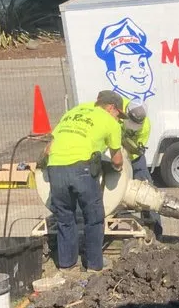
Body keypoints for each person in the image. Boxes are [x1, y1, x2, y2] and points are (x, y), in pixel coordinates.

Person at [46, 90, 124, 272]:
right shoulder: (110, 122)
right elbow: (117, 159)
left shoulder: (73, 113)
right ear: (111, 107)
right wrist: (117, 168)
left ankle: (66, 265)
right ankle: (94, 265)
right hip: (81, 168)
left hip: (55, 168)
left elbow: (48, 148)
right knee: (94, 217)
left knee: (65, 217)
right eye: (118, 114)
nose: (118, 118)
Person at [120, 99, 163, 240]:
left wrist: (124, 147)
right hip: (113, 155)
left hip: (133, 158)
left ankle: (155, 232)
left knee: (147, 192)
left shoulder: (145, 127)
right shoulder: (118, 109)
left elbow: (137, 151)